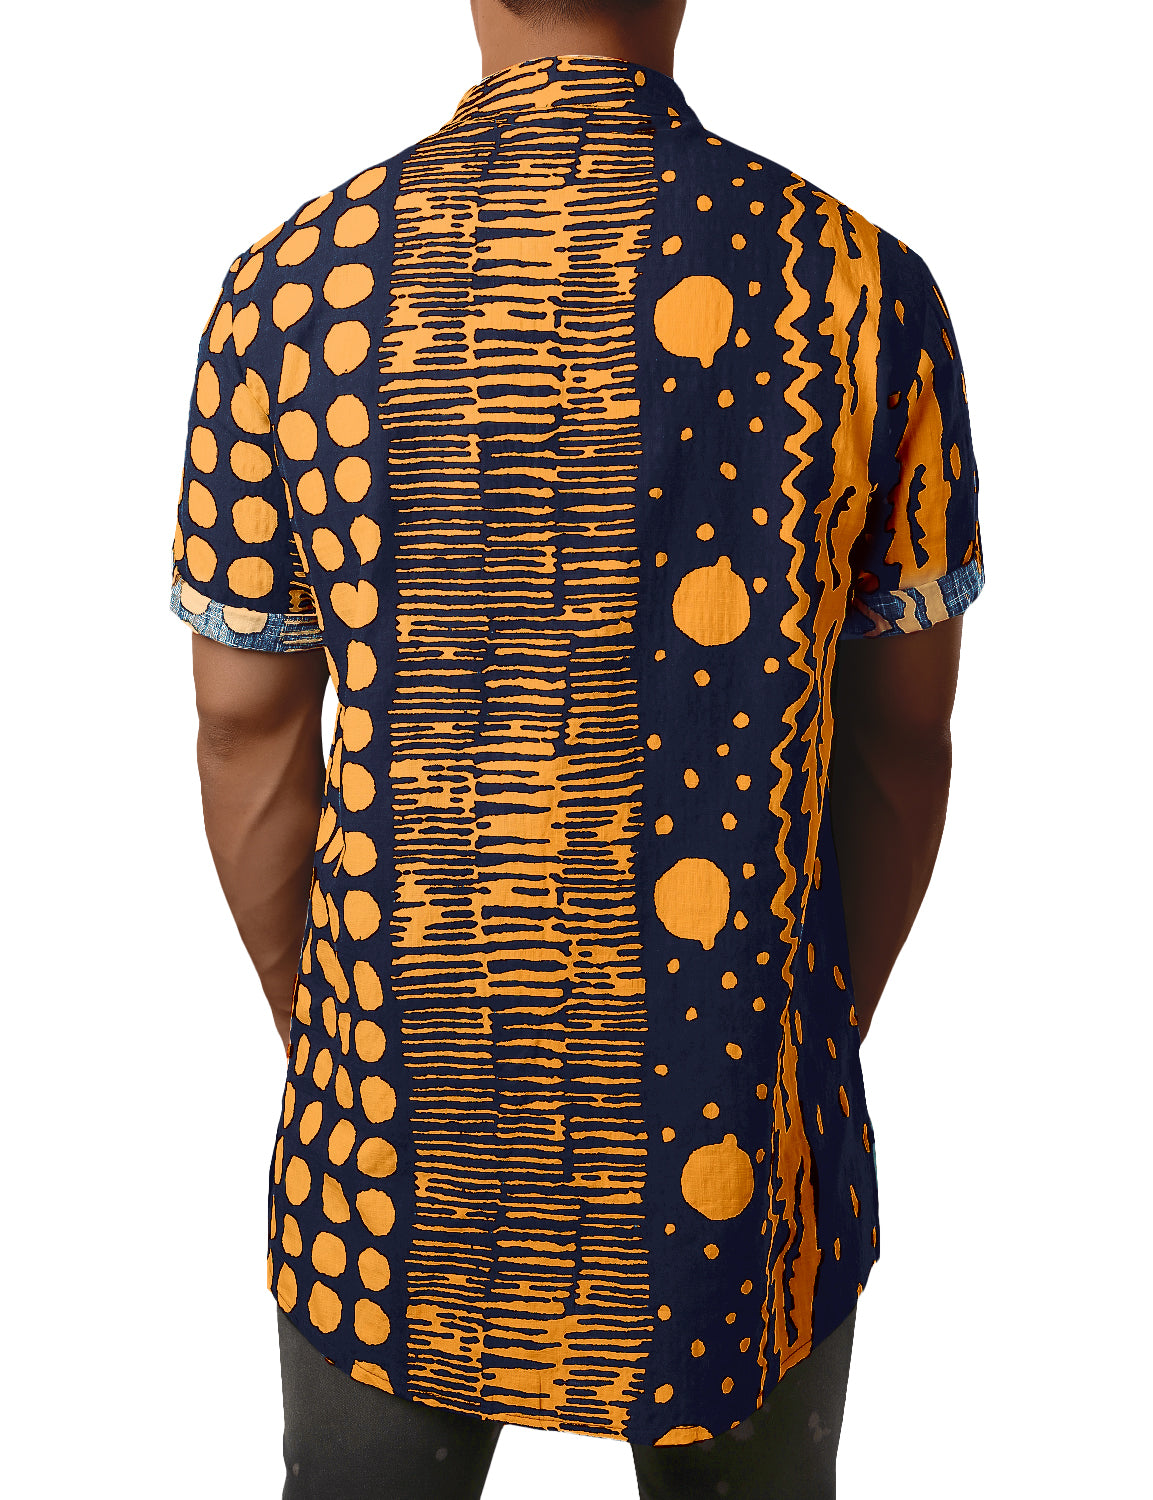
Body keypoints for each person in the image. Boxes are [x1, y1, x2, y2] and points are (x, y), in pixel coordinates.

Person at [169, 0, 984, 1494]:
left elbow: (243, 728)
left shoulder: (290, 294)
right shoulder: (859, 289)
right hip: (738, 1147)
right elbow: (901, 747)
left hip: (387, 1161)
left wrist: (348, 1043)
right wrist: (785, 1040)